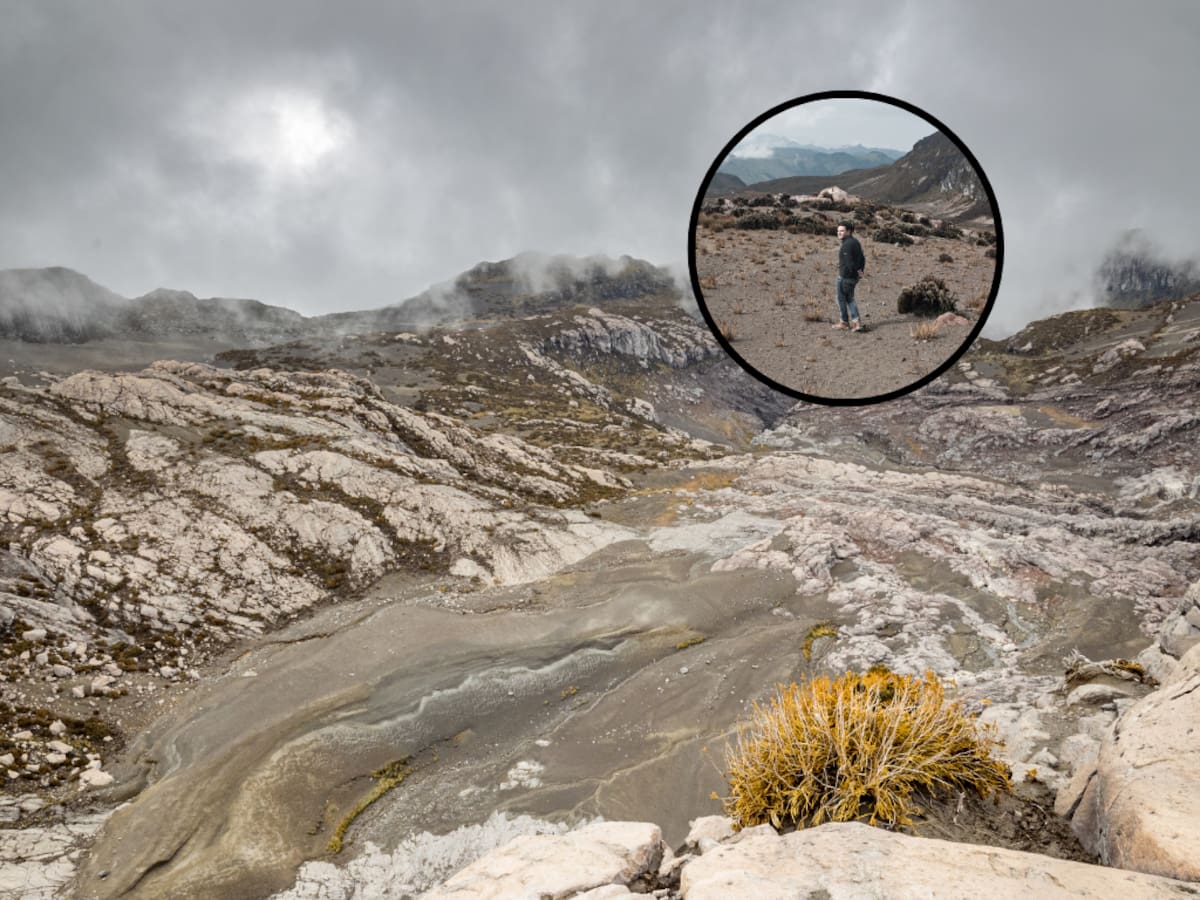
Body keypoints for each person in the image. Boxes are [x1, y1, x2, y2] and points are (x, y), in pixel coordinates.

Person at [833, 221, 866, 332]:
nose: (839, 233)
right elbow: (862, 258)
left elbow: (849, 262)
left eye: (842, 231)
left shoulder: (847, 244)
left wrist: (856, 271)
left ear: (849, 231)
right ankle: (854, 322)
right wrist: (860, 271)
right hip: (852, 277)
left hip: (846, 277)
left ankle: (846, 322)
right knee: (848, 298)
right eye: (838, 231)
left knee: (843, 299)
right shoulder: (855, 242)